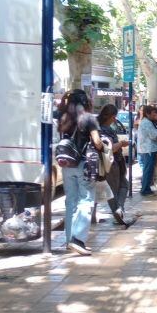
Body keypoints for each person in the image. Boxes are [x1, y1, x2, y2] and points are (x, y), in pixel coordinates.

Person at [57, 89, 103, 255]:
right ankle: (78, 239)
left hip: (66, 163)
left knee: (71, 201)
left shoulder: (63, 118)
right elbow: (97, 142)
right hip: (83, 164)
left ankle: (70, 240)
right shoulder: (89, 118)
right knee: (86, 200)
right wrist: (102, 146)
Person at [97, 104, 129, 225]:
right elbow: (110, 148)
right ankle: (118, 210)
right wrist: (121, 144)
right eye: (114, 117)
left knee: (120, 186)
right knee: (115, 189)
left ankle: (119, 210)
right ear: (112, 117)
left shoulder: (98, 127)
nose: (115, 119)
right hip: (111, 162)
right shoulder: (104, 130)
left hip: (108, 162)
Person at [137, 105, 157, 196]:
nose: (154, 115)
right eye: (153, 113)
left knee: (148, 170)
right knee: (148, 170)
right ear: (148, 113)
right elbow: (154, 136)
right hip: (148, 150)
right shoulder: (147, 123)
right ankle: (145, 190)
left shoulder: (147, 122)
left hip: (148, 149)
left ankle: (146, 188)